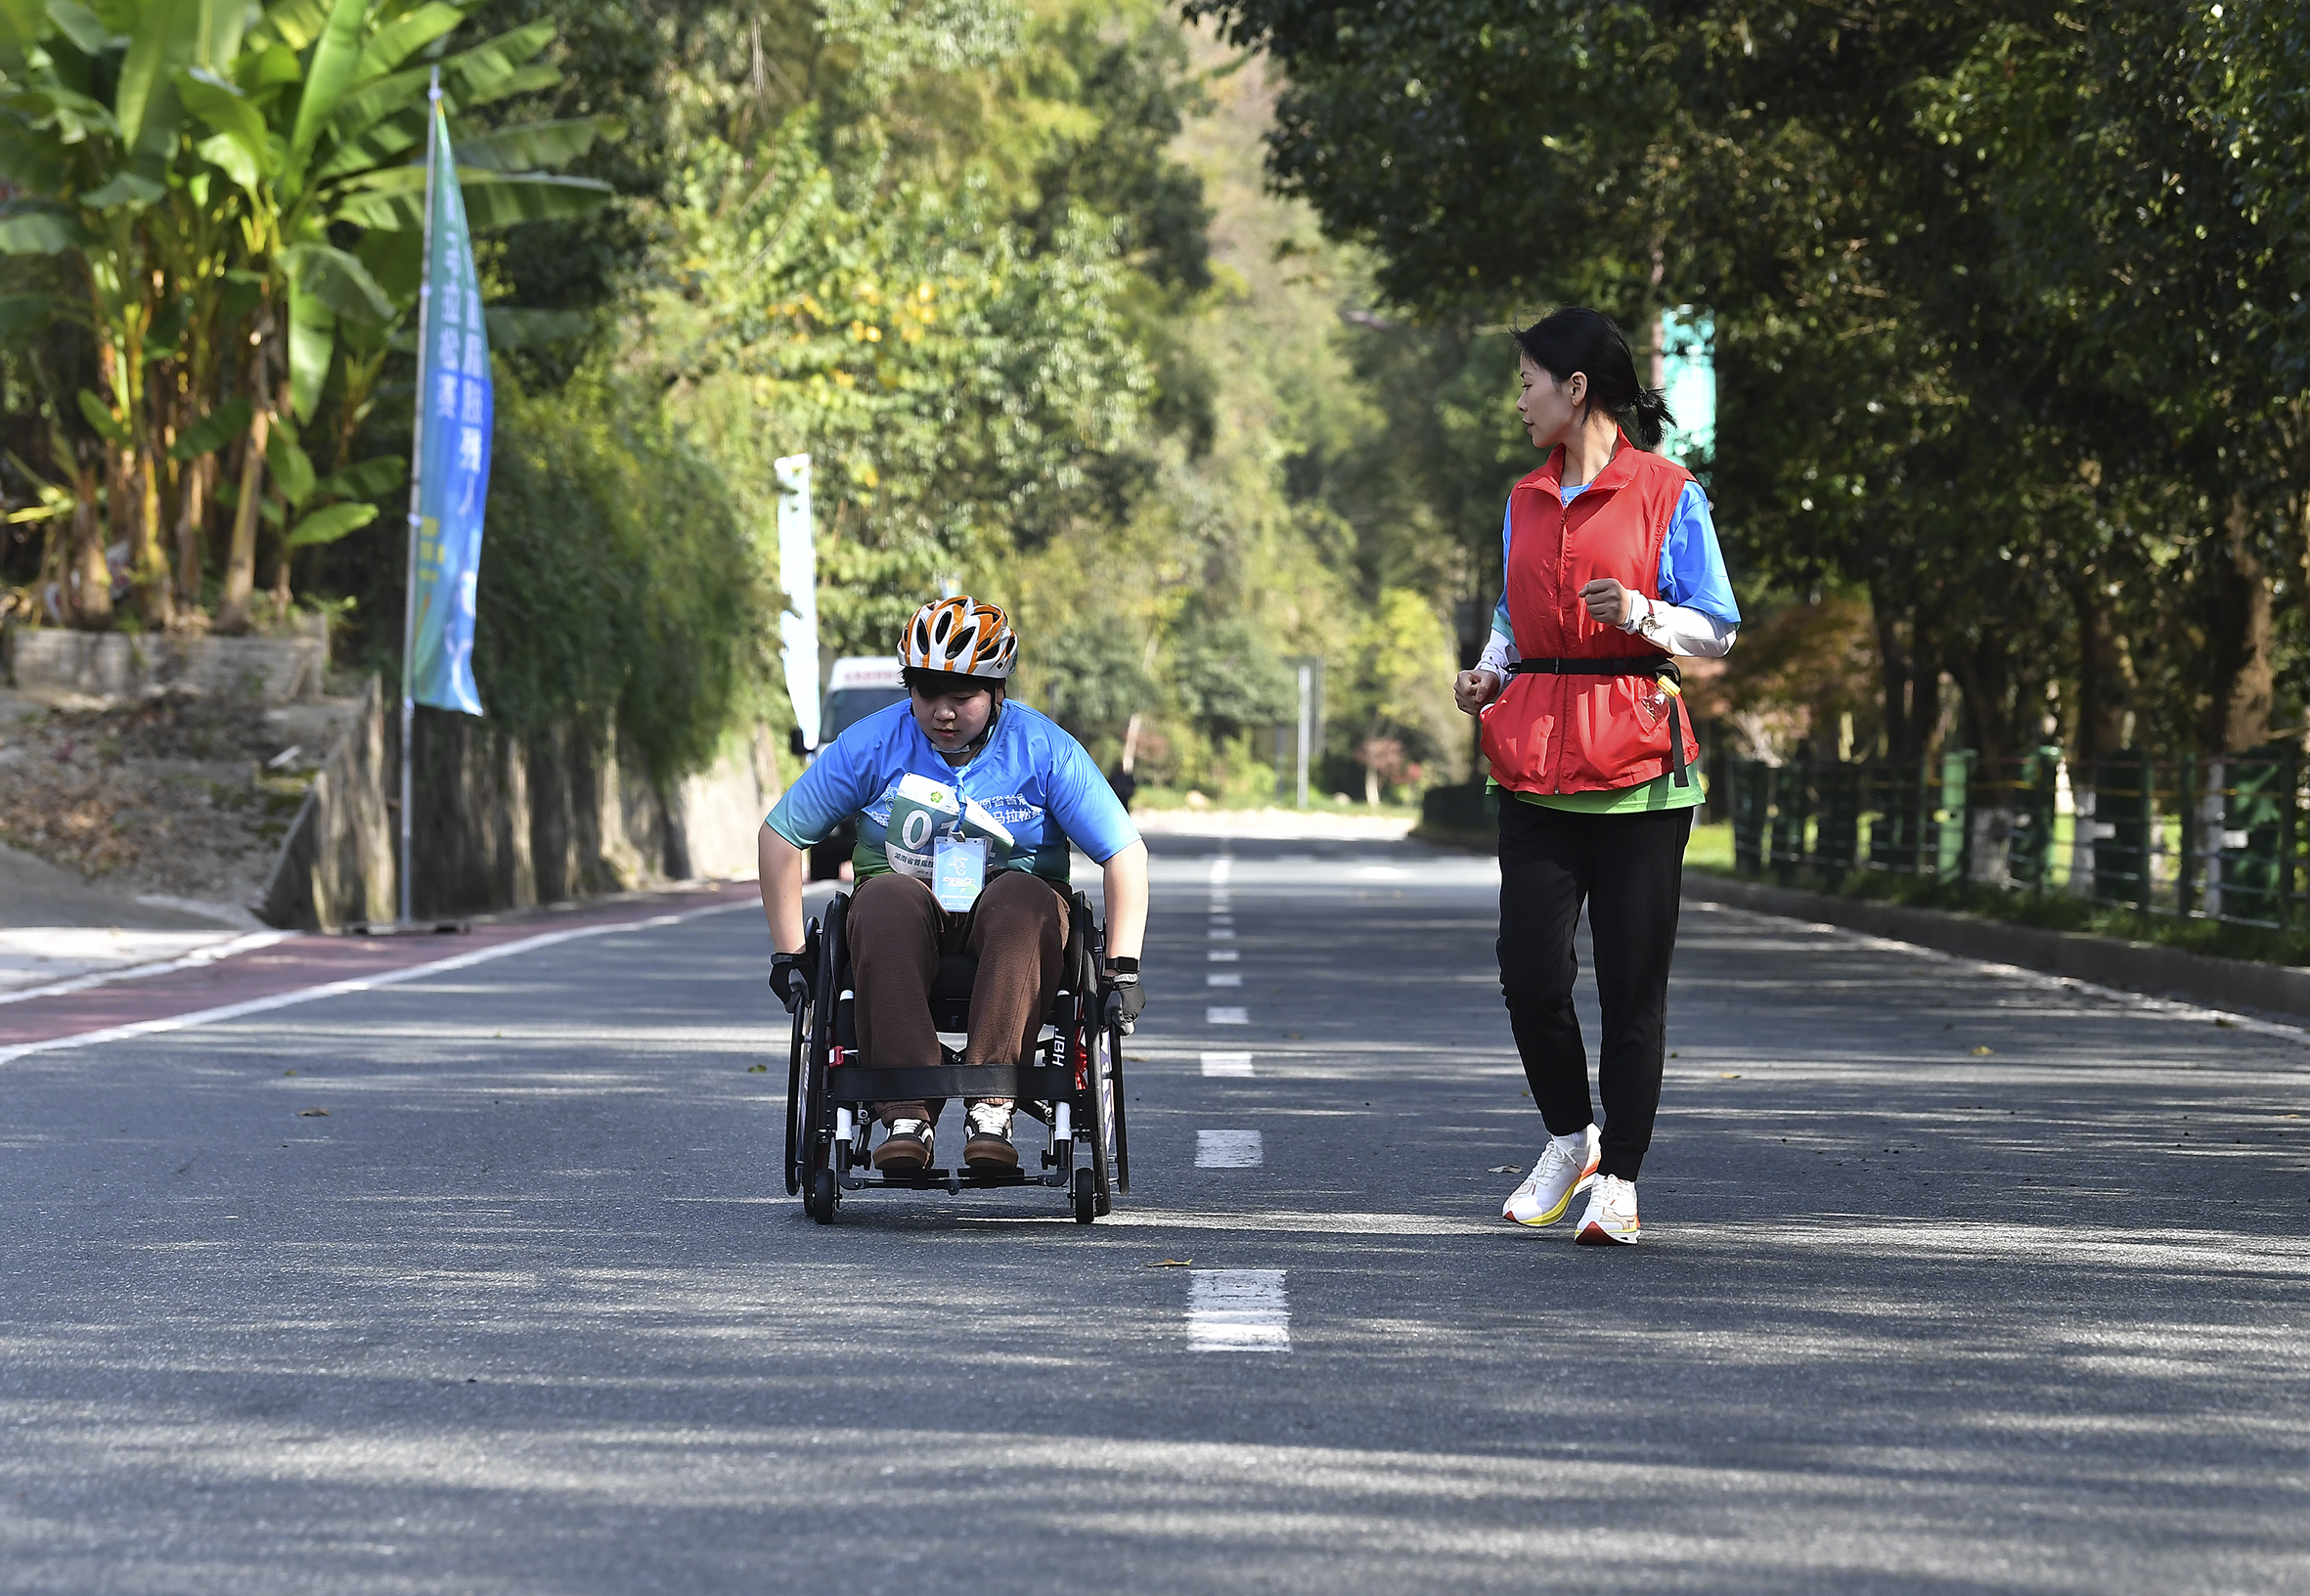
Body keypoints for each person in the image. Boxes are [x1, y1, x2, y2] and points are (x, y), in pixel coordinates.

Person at [1454, 308, 1741, 1246]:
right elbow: (1512, 605)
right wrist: (1490, 669)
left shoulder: (1668, 493)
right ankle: (1570, 1135)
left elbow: (1718, 627)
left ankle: (1620, 1177)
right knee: (1529, 976)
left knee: (1631, 986)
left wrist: (1645, 611)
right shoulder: (1523, 497)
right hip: (1533, 758)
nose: (1521, 398)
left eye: (1530, 380)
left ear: (1577, 388)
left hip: (1639, 768)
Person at [758, 597, 1150, 1175]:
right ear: (909, 690)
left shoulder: (1043, 748)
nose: (944, 712)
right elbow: (781, 835)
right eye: (927, 694)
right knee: (884, 899)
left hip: (1013, 914)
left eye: (962, 696)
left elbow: (1124, 851)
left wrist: (1123, 965)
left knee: (1023, 899)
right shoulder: (872, 744)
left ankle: (992, 1109)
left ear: (996, 693)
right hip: (908, 910)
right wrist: (791, 952)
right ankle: (906, 1115)